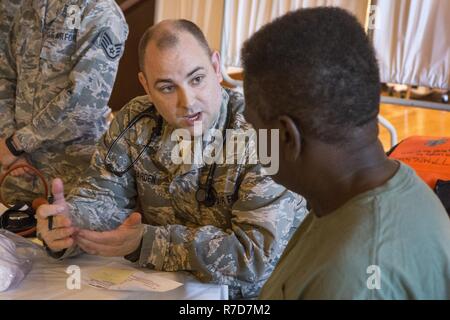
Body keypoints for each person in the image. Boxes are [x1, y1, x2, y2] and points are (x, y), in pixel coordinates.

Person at [36, 19, 307, 299]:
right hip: (163, 288)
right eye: (167, 87)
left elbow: (254, 258)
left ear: (216, 67)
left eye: (197, 79)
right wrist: (70, 223)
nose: (187, 101)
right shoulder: (134, 122)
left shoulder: (262, 131)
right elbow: (103, 197)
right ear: (146, 85)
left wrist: (147, 243)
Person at [241, 7, 450, 299]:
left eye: (253, 127)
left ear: (288, 137)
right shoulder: (354, 195)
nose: (253, 142)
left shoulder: (353, 279)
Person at [0, 0, 128, 203]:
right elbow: (5, 77)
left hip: (73, 180)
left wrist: (16, 144)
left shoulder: (99, 10)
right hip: (19, 174)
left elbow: (85, 101)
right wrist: (7, 140)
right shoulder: (26, 8)